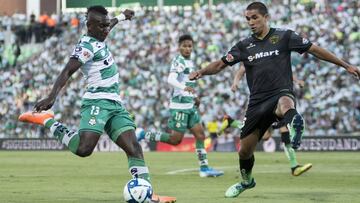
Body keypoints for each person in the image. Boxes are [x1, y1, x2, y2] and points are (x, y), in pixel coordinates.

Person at [189, 1, 360, 198]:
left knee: (285, 102)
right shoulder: (244, 46)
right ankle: (246, 181)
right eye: (247, 19)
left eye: (255, 18)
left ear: (266, 17)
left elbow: (314, 49)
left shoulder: (285, 36)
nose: (251, 22)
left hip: (280, 93)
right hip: (256, 103)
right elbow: (220, 65)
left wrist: (346, 65)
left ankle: (295, 124)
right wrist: (201, 71)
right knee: (244, 151)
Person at [18, 6, 176, 203]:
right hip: (97, 102)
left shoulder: (101, 32)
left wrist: (122, 17)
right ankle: (48, 122)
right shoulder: (86, 46)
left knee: (134, 147)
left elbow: (111, 23)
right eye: (102, 26)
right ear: (89, 26)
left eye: (107, 24)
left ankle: (149, 195)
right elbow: (67, 71)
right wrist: (52, 96)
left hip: (115, 104)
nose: (106, 29)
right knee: (84, 149)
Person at [137, 34, 224, 177]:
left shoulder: (190, 62)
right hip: (179, 106)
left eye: (190, 46)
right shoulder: (179, 61)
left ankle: (204, 169)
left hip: (189, 105)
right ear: (179, 47)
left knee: (200, 135)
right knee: (175, 140)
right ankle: (142, 134)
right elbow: (170, 79)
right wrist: (184, 89)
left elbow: (188, 82)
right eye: (184, 46)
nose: (187, 49)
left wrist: (194, 97)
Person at [220, 65, 312, 176]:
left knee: (282, 131)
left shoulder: (273, 55)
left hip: (277, 99)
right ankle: (231, 122)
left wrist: (296, 80)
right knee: (264, 135)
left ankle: (294, 166)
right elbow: (242, 69)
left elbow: (283, 71)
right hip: (261, 102)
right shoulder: (253, 54)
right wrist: (235, 82)